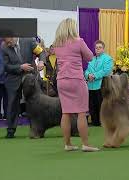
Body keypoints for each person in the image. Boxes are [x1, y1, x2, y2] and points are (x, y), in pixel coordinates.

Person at [53, 18, 99, 152]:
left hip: (61, 80)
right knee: (81, 113)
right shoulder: (79, 41)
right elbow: (90, 56)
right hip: (76, 80)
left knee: (65, 113)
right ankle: (86, 144)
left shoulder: (57, 44)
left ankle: (67, 144)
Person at [2, 37, 46, 138]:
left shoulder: (29, 41)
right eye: (5, 42)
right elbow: (6, 66)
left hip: (30, 78)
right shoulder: (4, 47)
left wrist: (42, 62)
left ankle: (38, 129)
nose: (7, 44)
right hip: (13, 79)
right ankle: (10, 130)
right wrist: (20, 67)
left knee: (36, 104)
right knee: (12, 105)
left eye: (8, 42)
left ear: (13, 37)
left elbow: (41, 52)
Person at [84, 40, 113, 126]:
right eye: (96, 48)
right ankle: (94, 121)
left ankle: (103, 122)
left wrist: (94, 75)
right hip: (90, 86)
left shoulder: (108, 58)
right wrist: (88, 75)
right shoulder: (91, 59)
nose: (98, 49)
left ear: (103, 49)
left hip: (101, 85)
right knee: (92, 105)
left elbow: (106, 71)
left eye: (100, 48)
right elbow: (86, 70)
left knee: (101, 105)